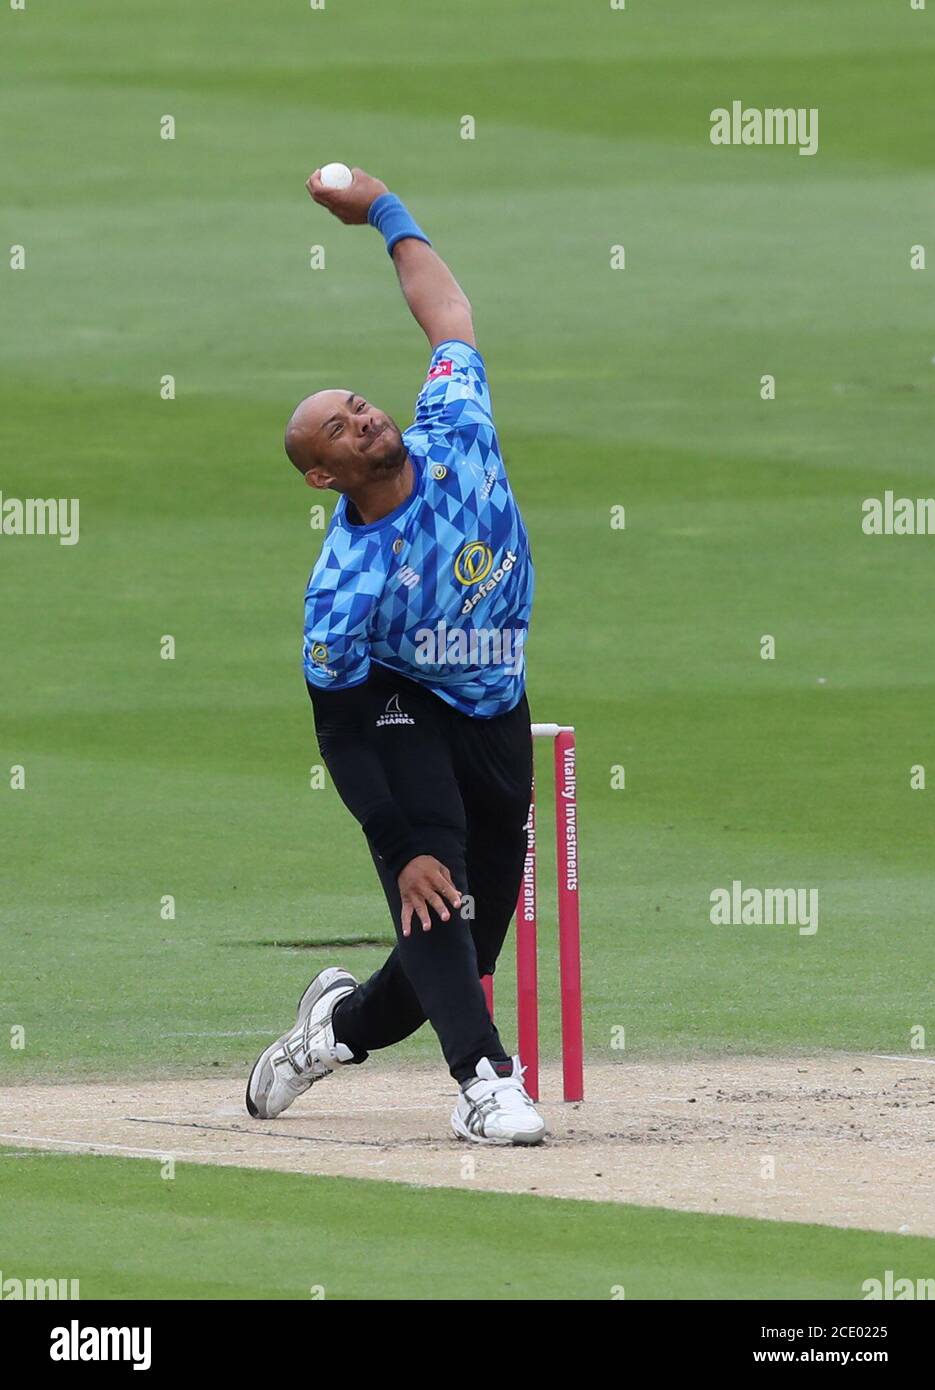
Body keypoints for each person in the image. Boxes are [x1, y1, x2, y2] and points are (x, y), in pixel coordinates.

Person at [246, 168, 544, 1144]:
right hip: (398, 705)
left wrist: (382, 209)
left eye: (361, 403)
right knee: (434, 884)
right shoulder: (346, 583)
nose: (364, 416)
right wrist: (401, 837)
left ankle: (330, 1032)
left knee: (457, 940)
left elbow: (445, 307)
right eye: (338, 424)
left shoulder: (454, 421)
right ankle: (484, 1081)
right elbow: (336, 724)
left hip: (495, 695)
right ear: (321, 472)